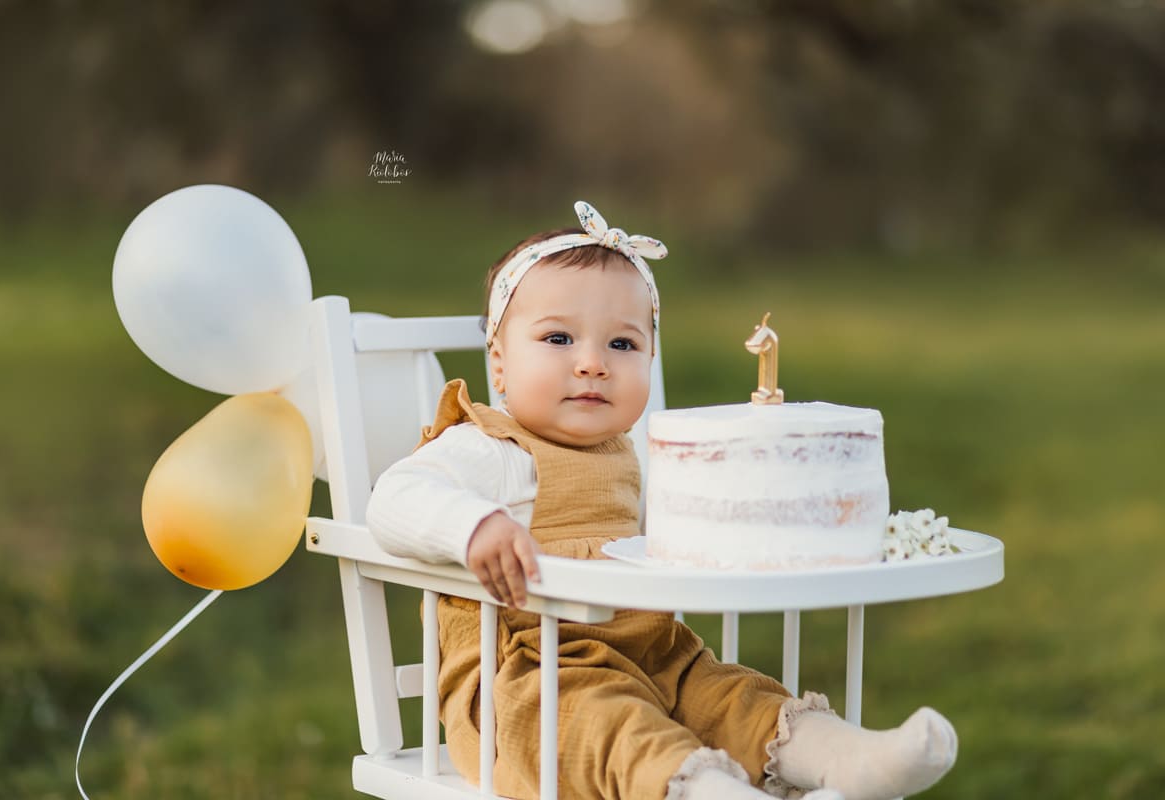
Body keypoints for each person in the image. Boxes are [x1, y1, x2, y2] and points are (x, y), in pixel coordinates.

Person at [365, 201, 958, 800]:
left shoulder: (635, 454)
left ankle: (848, 760)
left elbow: (681, 536)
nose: (592, 363)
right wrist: (474, 527)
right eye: (558, 338)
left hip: (652, 651)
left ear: (650, 356)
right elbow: (394, 496)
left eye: (622, 344)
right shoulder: (489, 448)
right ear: (499, 361)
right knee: (615, 724)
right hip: (531, 683)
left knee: (733, 695)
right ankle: (709, 792)